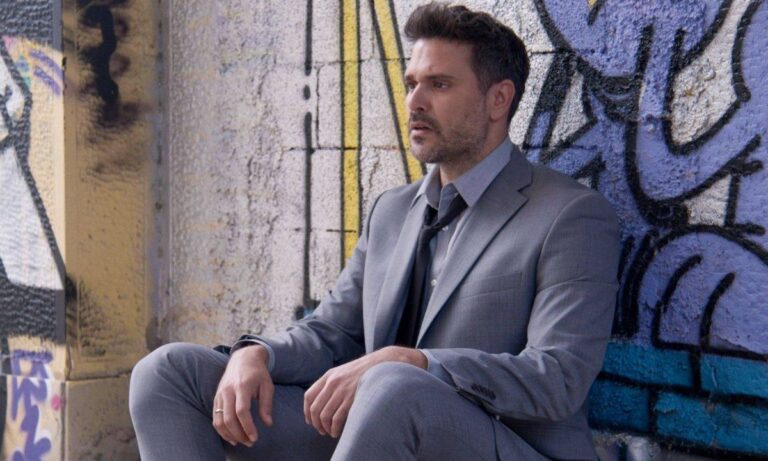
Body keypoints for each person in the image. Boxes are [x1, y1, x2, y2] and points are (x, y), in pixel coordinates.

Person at [129, 2, 620, 460]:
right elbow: (333, 333)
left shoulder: (569, 215)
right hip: (379, 429)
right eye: (411, 83)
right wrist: (257, 352)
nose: (415, 102)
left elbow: (558, 378)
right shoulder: (392, 210)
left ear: (498, 100)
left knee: (392, 385)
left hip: (504, 445)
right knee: (168, 373)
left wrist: (415, 362)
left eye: (439, 85)